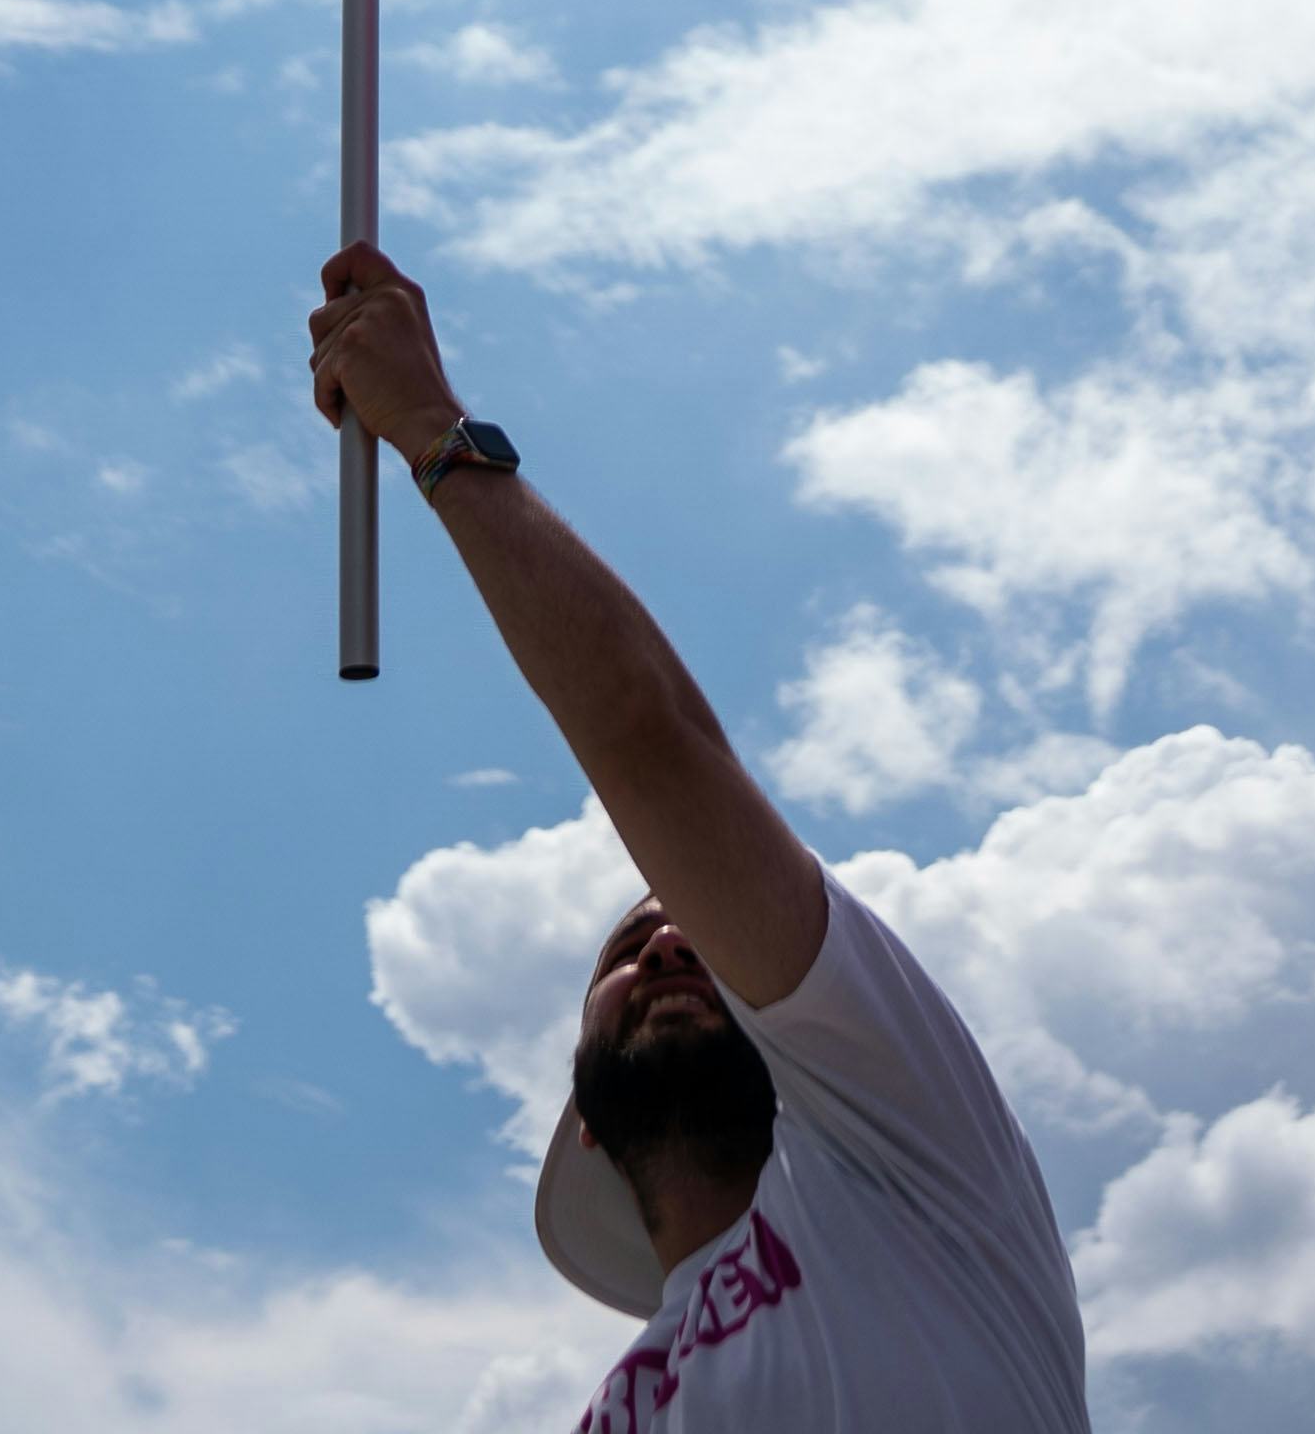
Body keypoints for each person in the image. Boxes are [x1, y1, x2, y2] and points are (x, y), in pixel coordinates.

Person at [310, 241, 1091, 1431]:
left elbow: (651, 736)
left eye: (694, 929)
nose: (669, 946)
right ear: (577, 1114)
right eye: (628, 948)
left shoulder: (905, 1155)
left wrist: (432, 429)